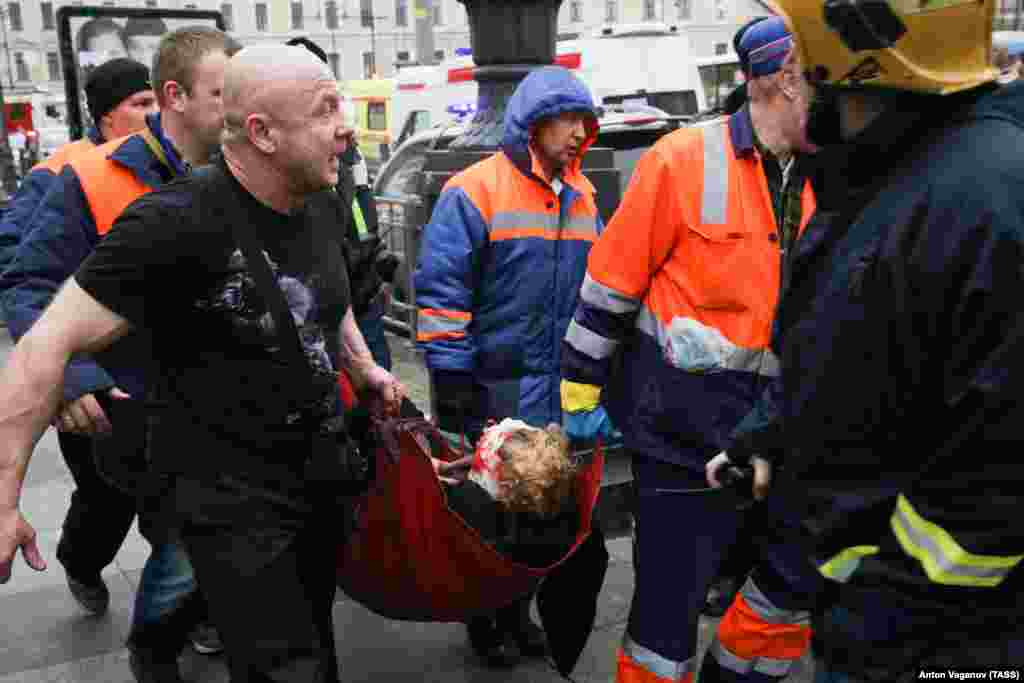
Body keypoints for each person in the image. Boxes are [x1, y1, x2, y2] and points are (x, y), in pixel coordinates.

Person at [0, 43, 403, 683]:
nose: (346, 125)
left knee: (315, 645)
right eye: (327, 109)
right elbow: (43, 344)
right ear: (263, 134)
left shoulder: (319, 198)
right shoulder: (172, 223)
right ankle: (155, 649)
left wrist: (363, 368)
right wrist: (5, 499)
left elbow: (329, 302)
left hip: (319, 481)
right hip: (231, 505)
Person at [707, 1, 1024, 680]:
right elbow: (853, 344)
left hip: (937, 644)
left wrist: (874, 613)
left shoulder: (981, 201)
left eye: (793, 36)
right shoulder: (892, 167)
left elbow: (993, 483)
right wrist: (774, 434)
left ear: (849, 39)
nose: (784, 63)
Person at [559, 16, 820, 683]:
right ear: (786, 81)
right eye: (827, 74)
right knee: (662, 622)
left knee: (782, 603)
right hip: (683, 441)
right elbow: (608, 289)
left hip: (788, 443)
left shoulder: (838, 173)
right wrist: (580, 401)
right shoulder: (680, 159)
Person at [0, 27, 240, 683]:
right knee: (160, 529)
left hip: (227, 409)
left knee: (205, 535)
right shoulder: (86, 177)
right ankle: (150, 638)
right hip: (136, 409)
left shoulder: (245, 166)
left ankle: (194, 617)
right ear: (176, 97)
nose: (242, 107)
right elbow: (28, 284)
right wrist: (73, 375)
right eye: (226, 93)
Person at [414, 64, 601, 667]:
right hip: (493, 388)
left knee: (540, 511)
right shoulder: (473, 190)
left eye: (584, 122)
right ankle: (486, 619)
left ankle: (518, 614)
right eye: (567, 120)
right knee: (488, 513)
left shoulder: (583, 196)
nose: (578, 133)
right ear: (532, 123)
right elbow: (443, 294)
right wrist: (452, 380)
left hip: (555, 390)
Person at [0, 57, 154, 620]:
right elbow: (21, 275)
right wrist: (67, 374)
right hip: (94, 381)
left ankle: (188, 614)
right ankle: (82, 560)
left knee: (181, 510)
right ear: (107, 114)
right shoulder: (63, 172)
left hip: (167, 384)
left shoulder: (177, 162)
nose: (154, 113)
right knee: (107, 497)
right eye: (140, 104)